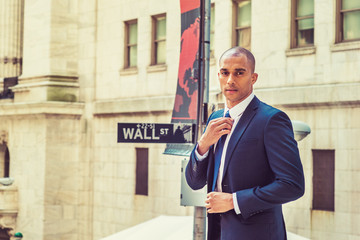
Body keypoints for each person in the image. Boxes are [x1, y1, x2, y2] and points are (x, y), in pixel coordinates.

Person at [185, 47, 305, 240]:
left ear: (253, 77)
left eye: (239, 73)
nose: (230, 80)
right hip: (218, 233)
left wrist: (234, 201)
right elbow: (194, 181)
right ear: (219, 75)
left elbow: (292, 185)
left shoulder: (272, 120)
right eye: (225, 73)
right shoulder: (215, 119)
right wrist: (203, 144)